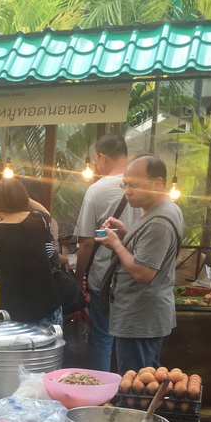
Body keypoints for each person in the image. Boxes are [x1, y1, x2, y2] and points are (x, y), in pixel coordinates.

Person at [96, 154, 183, 373]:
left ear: (158, 183)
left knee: (136, 387)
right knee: (144, 382)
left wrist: (117, 244)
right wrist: (126, 234)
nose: (128, 191)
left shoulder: (160, 221)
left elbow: (144, 273)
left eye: (135, 185)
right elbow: (146, 252)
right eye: (125, 185)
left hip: (141, 318)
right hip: (139, 316)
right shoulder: (156, 213)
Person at [73, 134, 139, 371]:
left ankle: (101, 398)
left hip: (104, 279)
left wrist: (79, 276)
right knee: (132, 341)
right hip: (137, 276)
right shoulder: (144, 186)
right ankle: (129, 395)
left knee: (102, 339)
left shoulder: (97, 190)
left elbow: (87, 243)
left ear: (101, 157)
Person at [0, 177, 62, 326]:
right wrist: (18, 193)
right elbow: (44, 211)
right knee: (50, 348)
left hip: (13, 308)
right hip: (46, 301)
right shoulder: (40, 219)